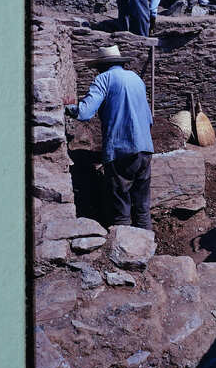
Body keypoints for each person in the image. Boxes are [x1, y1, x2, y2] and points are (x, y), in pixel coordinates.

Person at [64, 44, 154, 230]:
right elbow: (149, 119)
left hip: (121, 150)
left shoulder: (103, 79)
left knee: (121, 207)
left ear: (101, 66)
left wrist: (70, 109)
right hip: (145, 148)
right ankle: (147, 245)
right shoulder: (136, 78)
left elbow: (85, 113)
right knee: (142, 205)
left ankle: (127, 250)